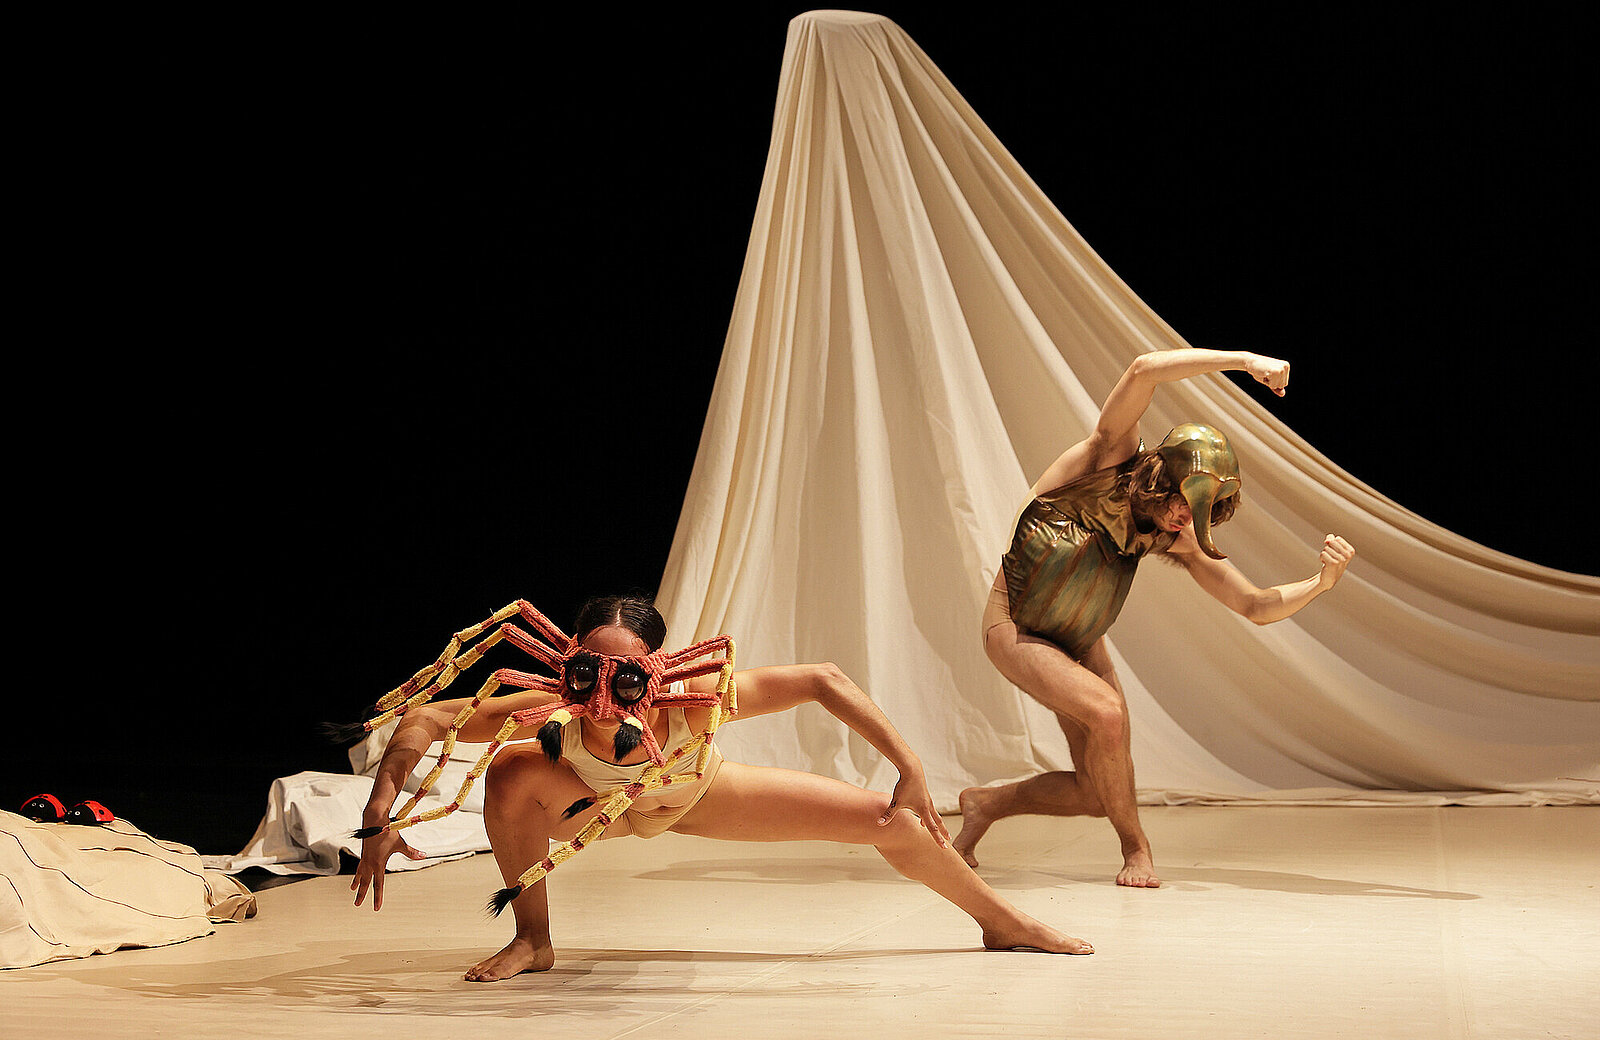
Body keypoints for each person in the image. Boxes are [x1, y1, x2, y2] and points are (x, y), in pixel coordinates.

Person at [352, 595, 1093, 981]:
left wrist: (911, 766)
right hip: (589, 808)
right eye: (589, 676)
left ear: (660, 669)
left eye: (629, 677)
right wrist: (380, 809)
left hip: (693, 793)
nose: (606, 698)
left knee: (889, 820)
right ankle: (533, 939)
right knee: (513, 769)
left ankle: (1002, 922)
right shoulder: (545, 701)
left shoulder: (694, 696)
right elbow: (426, 719)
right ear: (569, 663)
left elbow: (822, 680)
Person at [951, 348, 1356, 888]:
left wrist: (1320, 583)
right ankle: (1136, 849)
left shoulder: (1175, 533)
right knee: (1109, 713)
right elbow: (1143, 369)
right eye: (1184, 500)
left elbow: (1255, 606)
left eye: (1200, 511)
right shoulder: (1110, 458)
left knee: (1097, 793)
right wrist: (1246, 362)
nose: (1184, 516)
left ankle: (986, 805)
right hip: (1016, 626)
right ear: (1164, 476)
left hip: (1079, 640)